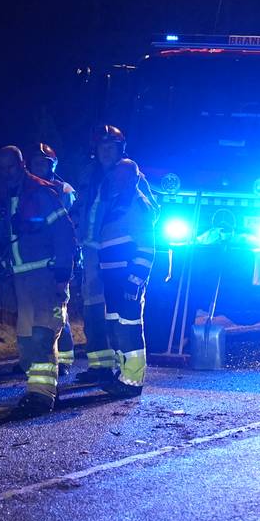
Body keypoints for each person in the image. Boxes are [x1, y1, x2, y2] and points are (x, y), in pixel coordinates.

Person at [0, 146, 77, 415]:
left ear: (21, 165)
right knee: (27, 340)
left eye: (11, 167)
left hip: (45, 275)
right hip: (20, 279)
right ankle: (36, 390)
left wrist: (63, 274)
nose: (7, 172)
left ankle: (42, 396)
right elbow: (1, 237)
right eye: (2, 168)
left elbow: (65, 233)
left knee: (43, 334)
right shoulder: (8, 197)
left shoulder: (41, 193)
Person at [72, 124, 155, 383]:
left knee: (120, 312)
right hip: (93, 252)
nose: (106, 152)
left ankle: (125, 373)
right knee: (93, 308)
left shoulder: (130, 175)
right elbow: (80, 210)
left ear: (121, 149)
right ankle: (100, 365)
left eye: (112, 147)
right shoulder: (89, 176)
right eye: (102, 147)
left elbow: (149, 212)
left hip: (119, 251)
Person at [95, 159, 156, 397]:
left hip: (126, 278)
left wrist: (134, 280)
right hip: (113, 277)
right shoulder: (119, 201)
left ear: (134, 178)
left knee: (128, 328)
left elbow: (147, 247)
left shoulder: (138, 204)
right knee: (115, 326)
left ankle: (132, 380)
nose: (118, 181)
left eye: (123, 177)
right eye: (115, 177)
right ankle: (123, 374)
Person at [27, 142, 78, 378]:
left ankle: (65, 358)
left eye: (43, 163)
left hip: (58, 259)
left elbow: (71, 225)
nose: (38, 167)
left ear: (52, 165)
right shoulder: (26, 189)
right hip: (33, 261)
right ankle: (36, 356)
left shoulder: (63, 190)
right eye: (35, 163)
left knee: (59, 312)